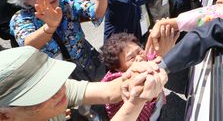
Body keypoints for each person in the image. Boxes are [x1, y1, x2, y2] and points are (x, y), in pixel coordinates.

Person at [0, 45, 167, 121]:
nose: (60, 90)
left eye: (53, 80)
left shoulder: (59, 92)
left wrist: (135, 76)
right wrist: (135, 103)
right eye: (45, 91)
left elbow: (108, 91)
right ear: (4, 116)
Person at [7, 0, 117, 81]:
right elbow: (29, 45)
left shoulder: (66, 2)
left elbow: (96, 13)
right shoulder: (21, 18)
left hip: (88, 62)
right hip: (57, 76)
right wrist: (50, 27)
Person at [100, 31, 178, 120]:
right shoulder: (115, 80)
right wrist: (161, 55)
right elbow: (148, 73)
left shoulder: (143, 61)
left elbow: (152, 55)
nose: (139, 58)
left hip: (154, 108)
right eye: (131, 58)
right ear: (117, 68)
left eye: (139, 52)